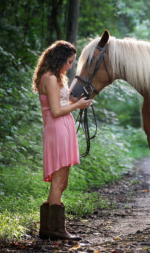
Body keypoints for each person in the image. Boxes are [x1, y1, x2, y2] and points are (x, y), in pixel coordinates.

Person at [32, 41, 92, 240]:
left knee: (62, 181)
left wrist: (78, 102)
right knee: (58, 181)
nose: (70, 66)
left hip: (63, 128)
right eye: (68, 61)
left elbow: (63, 102)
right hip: (57, 129)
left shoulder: (58, 78)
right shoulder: (49, 78)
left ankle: (49, 227)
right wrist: (77, 107)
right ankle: (55, 229)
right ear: (59, 59)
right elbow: (56, 111)